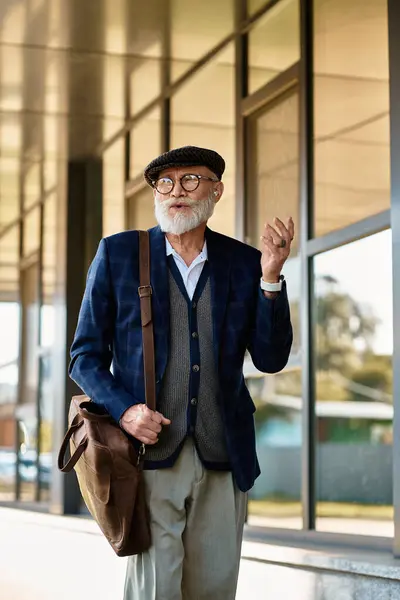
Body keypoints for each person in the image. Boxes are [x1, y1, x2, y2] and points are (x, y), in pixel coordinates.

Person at [69, 145, 294, 600]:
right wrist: (127, 410)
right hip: (147, 455)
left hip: (222, 454)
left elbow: (270, 358)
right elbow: (84, 357)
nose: (177, 191)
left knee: (213, 589)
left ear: (216, 190)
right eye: (166, 183)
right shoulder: (117, 255)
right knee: (156, 589)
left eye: (191, 180)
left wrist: (271, 278)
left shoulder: (244, 262)